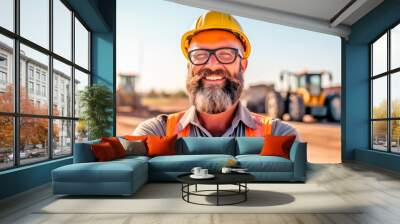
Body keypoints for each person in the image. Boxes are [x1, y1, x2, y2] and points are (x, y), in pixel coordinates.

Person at [132, 11, 299, 140]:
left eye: (226, 54)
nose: (212, 64)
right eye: (199, 55)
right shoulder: (155, 133)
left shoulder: (279, 135)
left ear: (243, 65)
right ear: (189, 66)